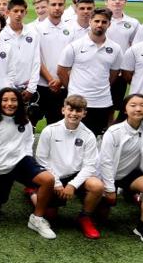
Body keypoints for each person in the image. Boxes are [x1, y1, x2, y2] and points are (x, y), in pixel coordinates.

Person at [0, 87, 59, 240]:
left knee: (48, 179)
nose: (9, 104)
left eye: (13, 100)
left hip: (19, 163)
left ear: (19, 102)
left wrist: (26, 159)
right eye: (5, 100)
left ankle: (36, 219)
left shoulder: (24, 122)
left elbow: (28, 143)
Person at [34, 95, 106, 239]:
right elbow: (41, 159)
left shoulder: (88, 135)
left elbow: (90, 165)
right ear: (63, 110)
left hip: (75, 176)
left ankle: (85, 217)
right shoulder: (50, 130)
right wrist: (57, 182)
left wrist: (73, 185)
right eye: (70, 109)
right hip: (53, 177)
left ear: (84, 113)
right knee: (51, 215)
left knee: (97, 186)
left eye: (78, 110)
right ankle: (32, 194)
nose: (74, 114)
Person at [96, 93, 143, 245]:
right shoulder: (113, 131)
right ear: (125, 110)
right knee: (101, 218)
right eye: (133, 105)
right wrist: (110, 189)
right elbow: (105, 162)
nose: (138, 109)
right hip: (106, 176)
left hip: (130, 175)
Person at [57, 7, 122, 135]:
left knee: (96, 138)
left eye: (104, 22)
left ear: (109, 24)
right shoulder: (75, 46)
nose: (100, 25)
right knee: (73, 137)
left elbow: (113, 74)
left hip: (102, 102)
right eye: (97, 21)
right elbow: (61, 71)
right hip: (77, 102)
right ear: (90, 21)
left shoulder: (115, 48)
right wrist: (73, 88)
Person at [34, 0, 72, 125]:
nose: (57, 8)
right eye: (53, 4)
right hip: (41, 85)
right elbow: (35, 58)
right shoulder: (36, 29)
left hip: (61, 86)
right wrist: (50, 79)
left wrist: (60, 81)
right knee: (31, 121)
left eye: (60, 4)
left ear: (64, 6)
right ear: (48, 6)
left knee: (57, 123)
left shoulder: (71, 29)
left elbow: (73, 60)